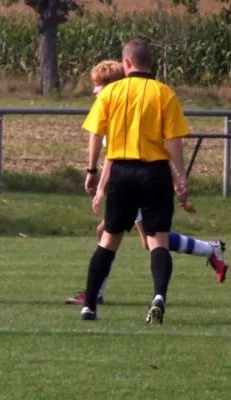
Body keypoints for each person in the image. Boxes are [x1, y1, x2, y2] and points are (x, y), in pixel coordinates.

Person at [65, 60, 227, 306]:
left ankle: (94, 294)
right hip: (146, 179)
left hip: (133, 181)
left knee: (136, 238)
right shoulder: (126, 103)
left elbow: (115, 158)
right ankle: (210, 249)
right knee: (143, 239)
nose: (94, 91)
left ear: (110, 86)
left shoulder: (117, 105)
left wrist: (99, 187)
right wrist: (175, 180)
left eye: (97, 85)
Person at [79, 39, 192, 324]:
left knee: (108, 240)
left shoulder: (112, 92)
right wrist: (181, 177)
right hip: (155, 173)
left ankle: (89, 305)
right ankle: (158, 297)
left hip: (122, 172)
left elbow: (95, 134)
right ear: (150, 63)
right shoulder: (164, 93)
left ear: (126, 63)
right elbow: (174, 140)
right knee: (158, 242)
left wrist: (92, 171)